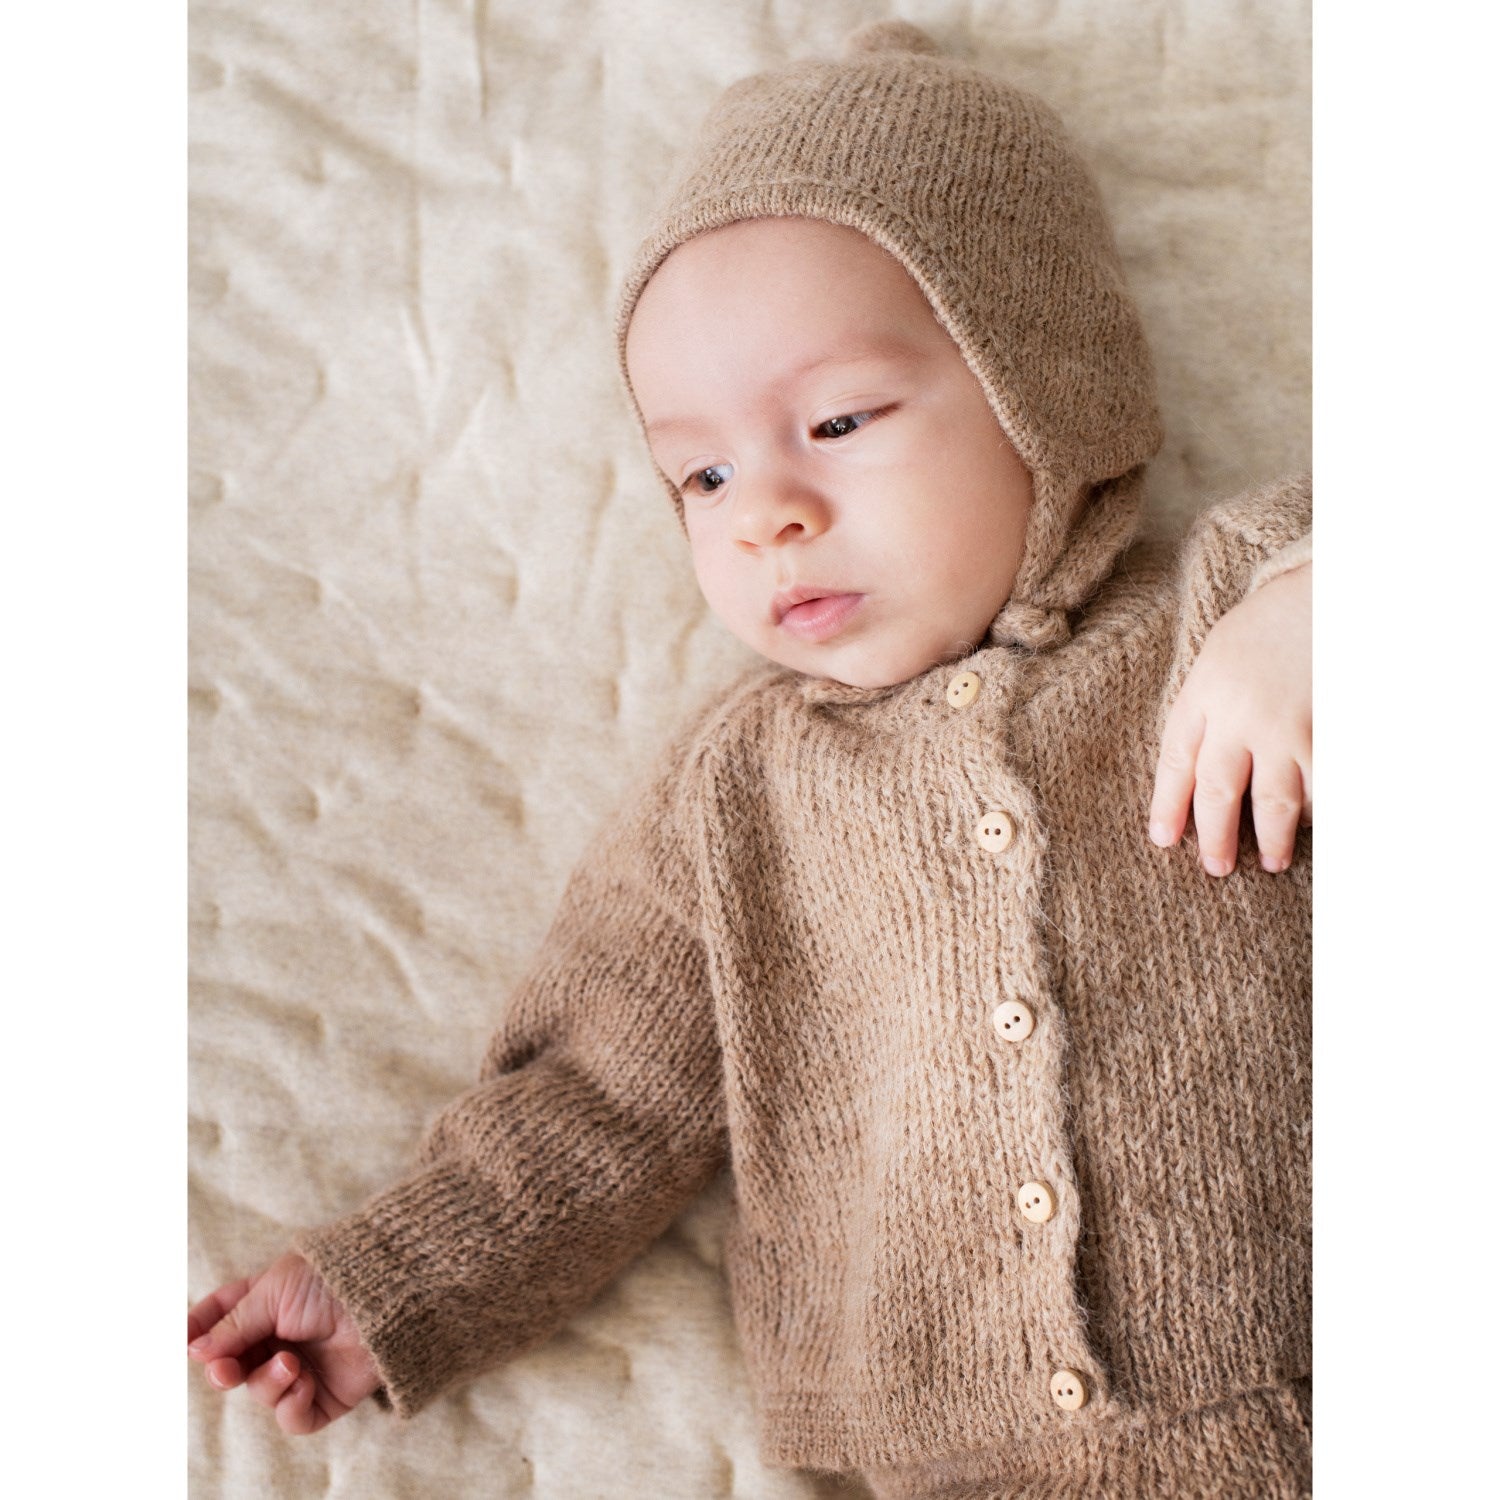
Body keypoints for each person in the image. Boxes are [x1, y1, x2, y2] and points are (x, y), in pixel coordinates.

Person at [188, 21, 1311, 1497]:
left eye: (837, 421)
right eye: (701, 474)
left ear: (1053, 385)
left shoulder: (1225, 610)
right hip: (950, 1459)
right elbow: (605, 1090)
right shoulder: (740, 792)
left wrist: (1313, 606)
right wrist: (396, 1281)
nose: (765, 511)